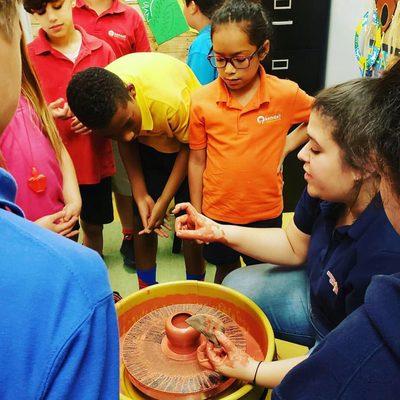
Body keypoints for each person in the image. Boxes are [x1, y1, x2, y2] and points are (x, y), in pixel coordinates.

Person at [190, 61, 400, 400]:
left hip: (340, 330)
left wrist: (253, 370)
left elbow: (341, 353)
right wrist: (218, 231)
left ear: (363, 164)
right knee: (235, 283)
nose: (301, 154)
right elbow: (292, 245)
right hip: (314, 295)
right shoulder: (326, 188)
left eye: (315, 149)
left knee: (288, 393)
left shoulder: (385, 251)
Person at [0, 2, 119, 398]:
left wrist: (71, 192)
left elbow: (55, 143)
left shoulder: (27, 94)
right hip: (31, 230)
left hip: (59, 212)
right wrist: (31, 232)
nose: (51, 17)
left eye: (57, 5)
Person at [189, 0, 313, 283]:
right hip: (218, 212)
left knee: (265, 278)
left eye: (239, 59)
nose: (229, 70)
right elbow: (197, 160)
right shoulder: (201, 101)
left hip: (264, 212)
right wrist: (197, 212)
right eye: (219, 59)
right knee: (224, 273)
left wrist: (286, 145)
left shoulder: (285, 94)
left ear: (263, 50)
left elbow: (320, 117)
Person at [66, 52, 205, 289]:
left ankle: (195, 291)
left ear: (132, 92)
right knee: (143, 220)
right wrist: (141, 194)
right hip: (150, 141)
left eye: (128, 124)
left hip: (189, 147)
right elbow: (126, 139)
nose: (128, 135)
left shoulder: (170, 101)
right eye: (113, 134)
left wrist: (164, 200)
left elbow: (190, 148)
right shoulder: (111, 111)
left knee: (189, 223)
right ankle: (146, 289)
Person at [24, 0, 116, 256]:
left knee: (94, 227)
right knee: (62, 236)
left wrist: (95, 119)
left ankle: (93, 273)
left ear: (72, 3)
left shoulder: (102, 50)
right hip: (51, 171)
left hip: (94, 161)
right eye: (41, 12)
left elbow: (116, 108)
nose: (52, 17)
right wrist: (45, 116)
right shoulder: (28, 58)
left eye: (57, 6)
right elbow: (21, 114)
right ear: (33, 14)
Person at [73, 0, 151, 267]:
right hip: (82, 123)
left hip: (120, 118)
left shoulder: (130, 16)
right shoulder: (69, 13)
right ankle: (90, 240)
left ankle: (128, 235)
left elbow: (145, 60)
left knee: (124, 179)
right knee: (89, 184)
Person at [0, 33, 81, 238]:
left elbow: (58, 148)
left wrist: (73, 199)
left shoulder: (29, 97)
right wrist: (31, 230)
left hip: (61, 221)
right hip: (23, 238)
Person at [183, 0, 223, 84]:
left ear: (192, 6)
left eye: (184, 4)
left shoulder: (202, 45)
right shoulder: (222, 33)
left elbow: (199, 91)